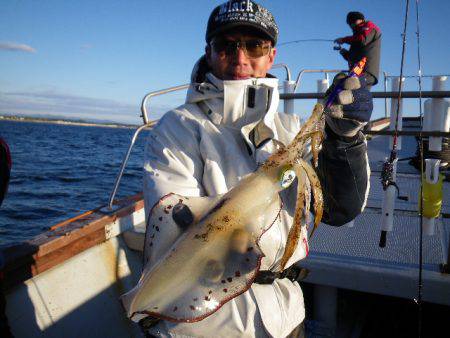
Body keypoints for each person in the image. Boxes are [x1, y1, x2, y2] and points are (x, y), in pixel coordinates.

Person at [141, 1, 372, 337]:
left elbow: (339, 209)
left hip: (285, 316)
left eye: (254, 45)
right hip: (205, 324)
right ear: (209, 51)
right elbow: (176, 228)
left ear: (271, 56)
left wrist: (344, 140)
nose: (240, 58)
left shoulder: (290, 128)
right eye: (226, 45)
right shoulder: (178, 128)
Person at [334, 11, 382, 88]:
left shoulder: (370, 27)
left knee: (354, 92)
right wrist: (342, 51)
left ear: (361, 20)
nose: (351, 25)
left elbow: (362, 40)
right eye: (349, 23)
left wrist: (343, 40)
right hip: (356, 72)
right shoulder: (356, 37)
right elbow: (351, 57)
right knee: (344, 89)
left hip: (366, 72)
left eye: (353, 22)